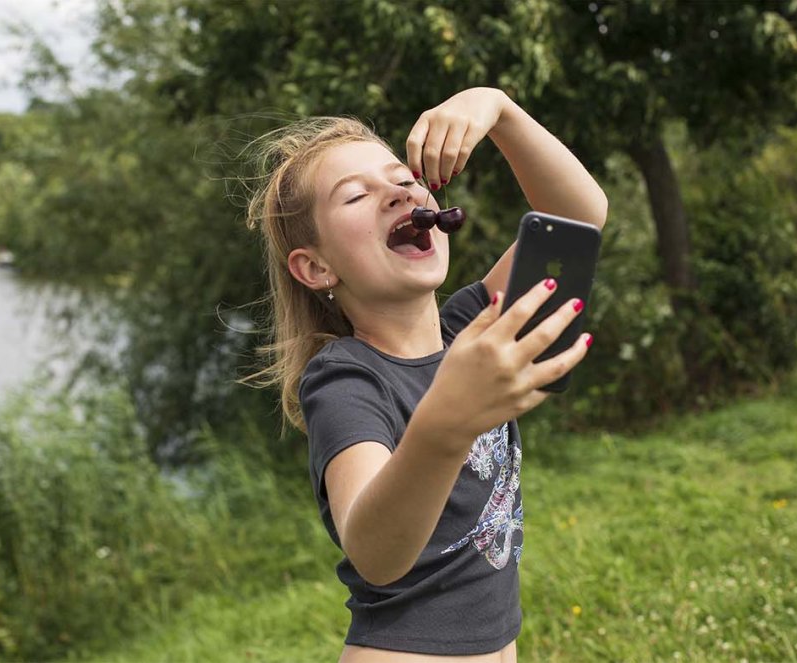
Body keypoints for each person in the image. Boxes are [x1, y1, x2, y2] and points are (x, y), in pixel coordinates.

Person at [243, 87, 608, 662]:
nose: (397, 191)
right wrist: (446, 423)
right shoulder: (345, 380)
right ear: (315, 267)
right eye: (356, 195)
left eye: (402, 178)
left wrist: (500, 110)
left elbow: (577, 220)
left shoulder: (468, 327)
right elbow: (375, 552)